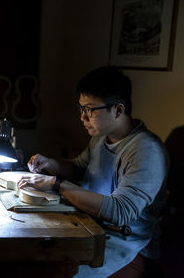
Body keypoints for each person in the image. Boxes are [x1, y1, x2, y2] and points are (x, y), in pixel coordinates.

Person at [20, 66, 168, 277]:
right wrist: (52, 165)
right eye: (80, 108)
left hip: (127, 243)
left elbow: (120, 211)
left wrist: (57, 184)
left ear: (117, 110)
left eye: (89, 110)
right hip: (91, 227)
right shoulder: (100, 137)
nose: (82, 117)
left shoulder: (146, 150)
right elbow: (80, 168)